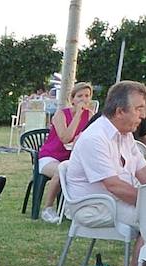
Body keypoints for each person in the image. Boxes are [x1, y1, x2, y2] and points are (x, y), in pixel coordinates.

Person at [61, 80, 146, 235]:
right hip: (94, 207)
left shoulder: (125, 134)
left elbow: (144, 170)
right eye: (139, 109)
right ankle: (145, 259)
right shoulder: (95, 138)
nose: (143, 115)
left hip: (113, 202)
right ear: (119, 112)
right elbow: (114, 186)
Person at [37, 81, 94, 222]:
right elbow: (65, 138)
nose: (83, 99)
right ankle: (48, 209)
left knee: (89, 171)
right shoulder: (60, 115)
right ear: (72, 99)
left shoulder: (91, 115)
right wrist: (77, 116)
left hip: (72, 157)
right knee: (61, 171)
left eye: (87, 96)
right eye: (80, 96)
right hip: (50, 156)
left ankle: (74, 208)